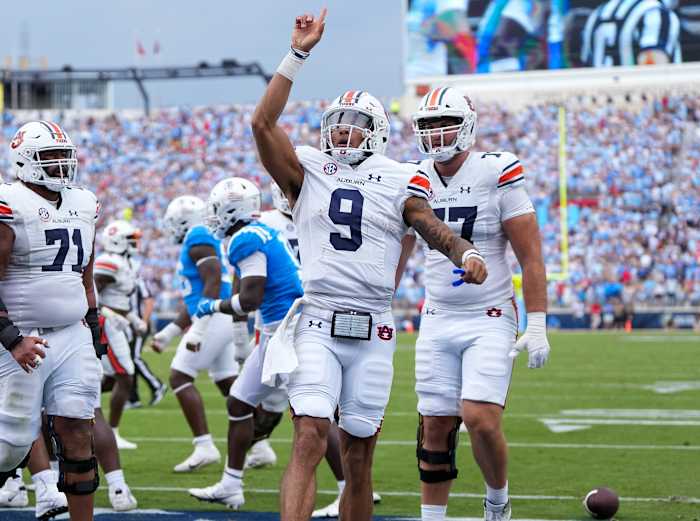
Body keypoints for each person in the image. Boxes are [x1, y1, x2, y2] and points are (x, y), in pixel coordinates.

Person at [251, 10, 487, 521]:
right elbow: (262, 123)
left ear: (376, 133)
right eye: (336, 126)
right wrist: (298, 54)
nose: (343, 135)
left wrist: (462, 251)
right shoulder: (308, 168)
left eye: (355, 127)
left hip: (374, 325)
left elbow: (426, 223)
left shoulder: (402, 176)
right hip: (317, 317)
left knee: (359, 457)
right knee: (309, 434)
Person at [407, 86, 550, 521]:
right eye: (428, 126)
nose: (435, 135)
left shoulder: (496, 170)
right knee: (434, 424)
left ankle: (497, 501)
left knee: (480, 418)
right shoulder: (413, 177)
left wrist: (538, 322)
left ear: (467, 125)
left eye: (444, 123)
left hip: (489, 315)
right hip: (436, 314)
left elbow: (530, 255)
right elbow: (397, 251)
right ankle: (433, 517)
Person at [0, 121, 105, 521]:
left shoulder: (84, 202)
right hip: (23, 338)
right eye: (50, 157)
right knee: (9, 445)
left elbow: (85, 276)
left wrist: (94, 332)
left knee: (79, 432)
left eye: (64, 155)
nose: (61, 165)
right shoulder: (10, 203)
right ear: (24, 161)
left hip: (72, 334)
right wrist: (12, 339)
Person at [188, 177, 302, 509]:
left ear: (231, 209)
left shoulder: (246, 238)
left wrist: (213, 306)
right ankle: (230, 484)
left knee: (312, 414)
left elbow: (250, 298)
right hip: (279, 330)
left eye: (216, 209)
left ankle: (346, 491)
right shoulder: (257, 231)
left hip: (286, 332)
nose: (212, 216)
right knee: (238, 403)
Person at [152, 196, 238, 472]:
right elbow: (198, 296)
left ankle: (204, 446)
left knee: (179, 376)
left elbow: (212, 280)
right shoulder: (201, 235)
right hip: (219, 315)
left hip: (213, 317)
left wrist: (199, 329)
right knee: (230, 384)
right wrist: (168, 333)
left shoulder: (198, 233)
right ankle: (259, 445)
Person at [94, 220, 145, 449]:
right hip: (106, 324)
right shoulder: (108, 262)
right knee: (125, 374)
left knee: (113, 378)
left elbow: (121, 300)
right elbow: (92, 294)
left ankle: (79, 401)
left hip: (118, 323)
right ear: (117, 241)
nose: (135, 243)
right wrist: (108, 313)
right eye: (130, 238)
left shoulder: (126, 263)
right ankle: (112, 432)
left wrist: (133, 318)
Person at [126, 271, 166, 409]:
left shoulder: (136, 278)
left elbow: (149, 301)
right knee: (128, 361)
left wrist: (143, 322)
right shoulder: (117, 275)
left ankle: (157, 386)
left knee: (134, 358)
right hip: (124, 326)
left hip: (137, 325)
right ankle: (133, 399)